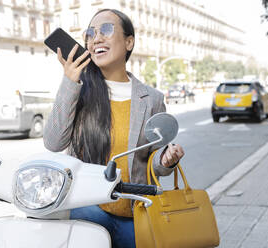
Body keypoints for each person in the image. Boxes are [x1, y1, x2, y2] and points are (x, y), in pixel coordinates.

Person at [43, 8, 184, 248]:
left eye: (106, 30)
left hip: (135, 214)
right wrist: (69, 82)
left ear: (129, 42)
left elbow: (154, 161)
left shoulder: (152, 98)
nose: (96, 38)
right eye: (90, 33)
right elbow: (54, 142)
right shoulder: (79, 89)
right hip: (86, 211)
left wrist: (167, 159)